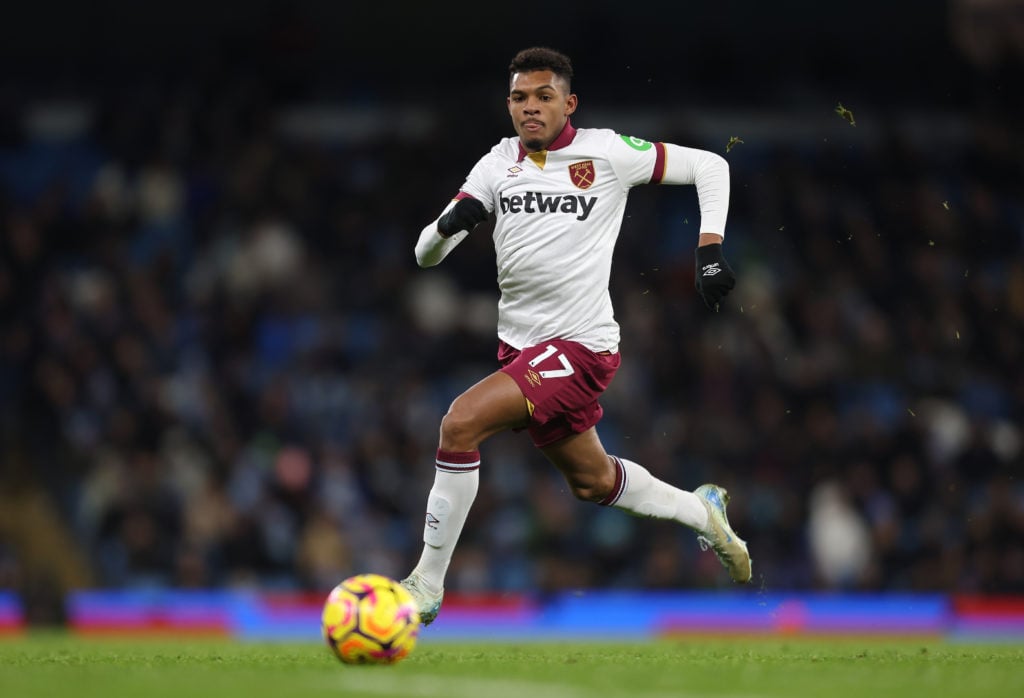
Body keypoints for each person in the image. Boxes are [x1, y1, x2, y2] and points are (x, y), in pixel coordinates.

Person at [401, 46, 751, 625]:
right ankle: (702, 513)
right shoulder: (495, 165)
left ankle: (426, 585)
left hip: (581, 347)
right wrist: (447, 227)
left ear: (569, 103)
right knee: (592, 481)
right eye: (519, 97)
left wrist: (709, 246)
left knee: (459, 423)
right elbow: (423, 256)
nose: (530, 108)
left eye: (543, 97)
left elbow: (711, 166)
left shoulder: (607, 152)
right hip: (523, 348)